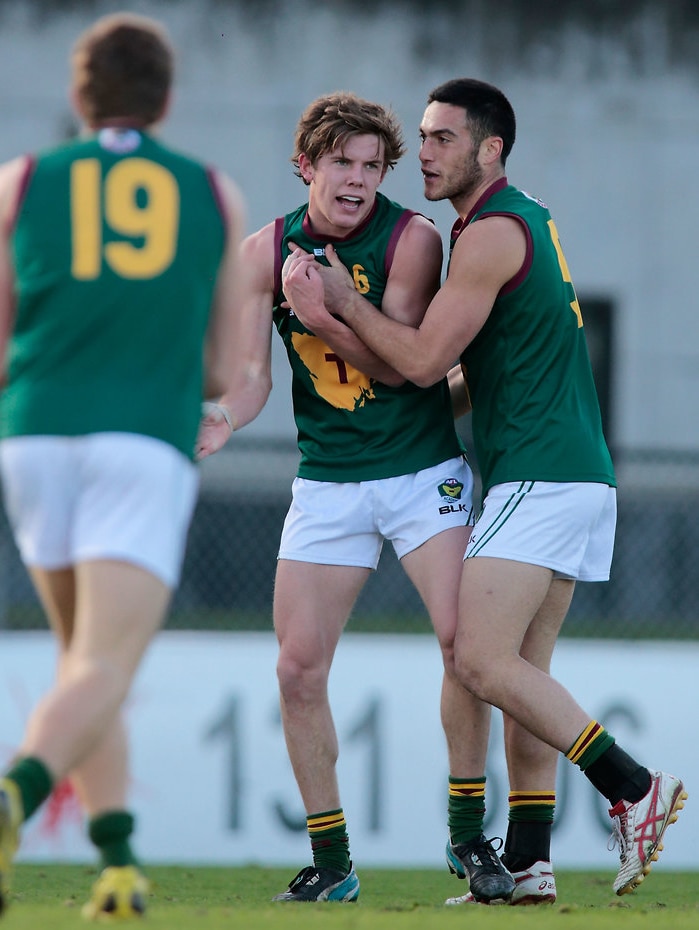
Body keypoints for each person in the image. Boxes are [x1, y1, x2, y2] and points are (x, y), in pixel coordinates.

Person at [281, 77, 687, 901]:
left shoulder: (489, 232)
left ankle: (635, 788)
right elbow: (454, 381)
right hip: (571, 472)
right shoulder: (508, 221)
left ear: (488, 149)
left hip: (540, 472)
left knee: (477, 657)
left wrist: (339, 310)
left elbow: (425, 362)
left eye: (439, 138)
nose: (421, 153)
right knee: (521, 671)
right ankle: (533, 857)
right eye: (422, 137)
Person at [196, 91, 518, 905]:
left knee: (463, 650)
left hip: (419, 472)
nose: (358, 181)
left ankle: (465, 837)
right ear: (305, 166)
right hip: (328, 479)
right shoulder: (260, 251)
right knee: (298, 670)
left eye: (373, 166)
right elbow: (254, 374)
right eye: (342, 163)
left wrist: (325, 305)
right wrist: (225, 415)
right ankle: (331, 862)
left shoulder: (411, 240)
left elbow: (401, 364)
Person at [0, 12, 246, 920]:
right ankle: (15, 796)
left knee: (80, 661)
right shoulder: (211, 192)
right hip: (140, 439)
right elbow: (220, 369)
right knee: (106, 663)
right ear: (166, 99)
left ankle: (117, 861)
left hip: (32, 435)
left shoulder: (20, 180)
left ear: (77, 96)